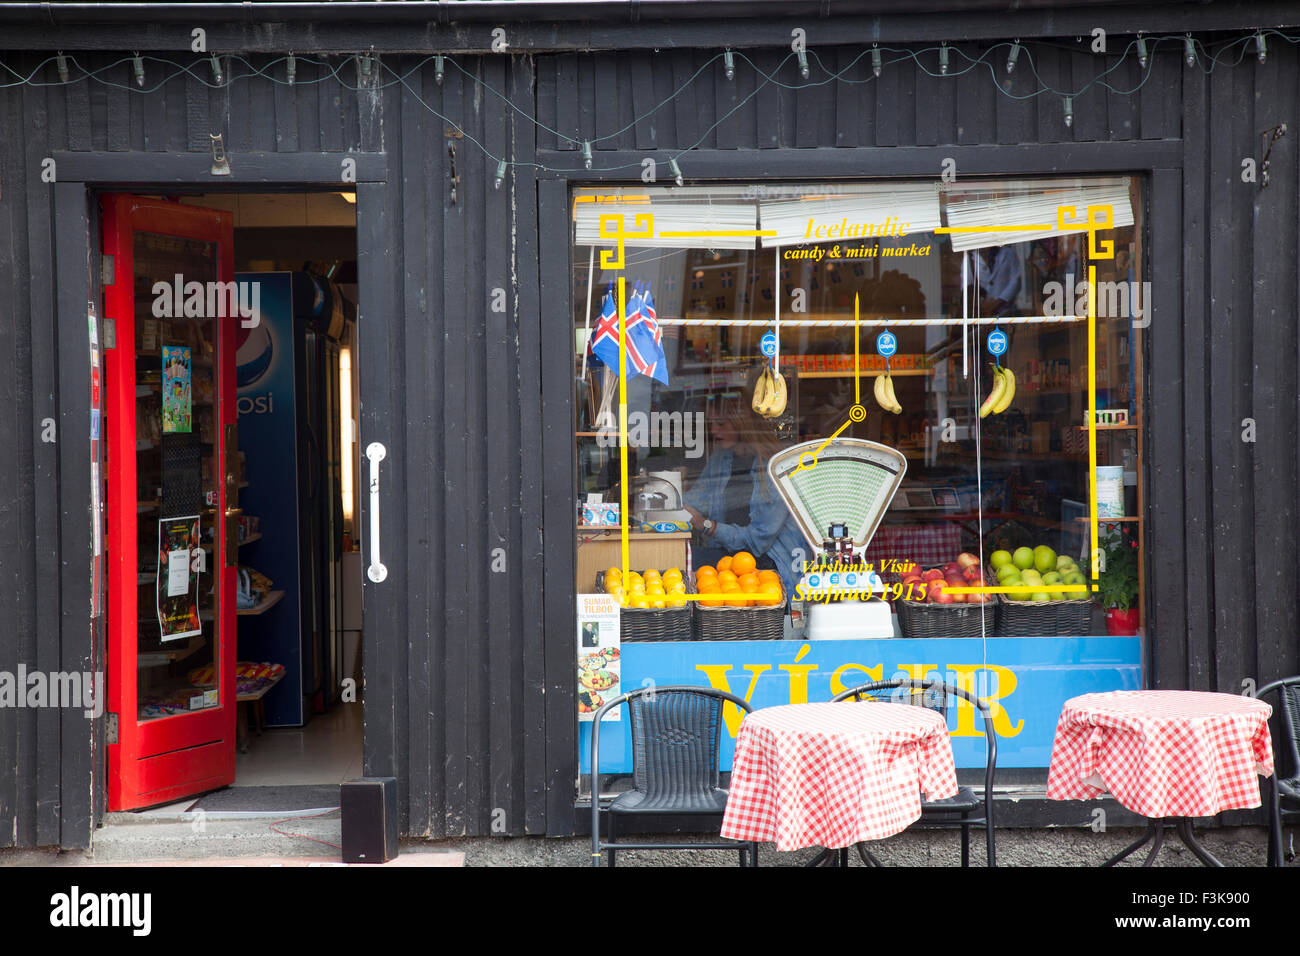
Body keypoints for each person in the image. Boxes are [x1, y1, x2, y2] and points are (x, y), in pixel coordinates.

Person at [683, 385, 805, 596]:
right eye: (711, 424)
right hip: (731, 561)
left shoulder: (774, 468)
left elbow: (758, 540)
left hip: (772, 568)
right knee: (681, 563)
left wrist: (708, 526)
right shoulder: (721, 459)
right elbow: (694, 500)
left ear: (742, 423)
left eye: (721, 424)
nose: (713, 431)